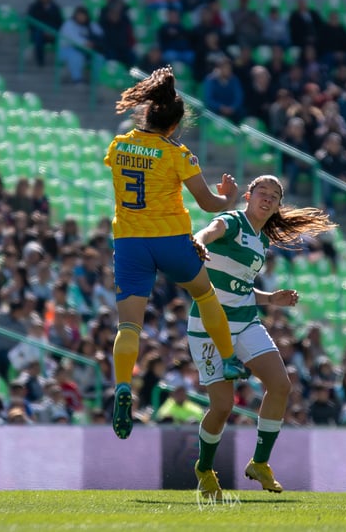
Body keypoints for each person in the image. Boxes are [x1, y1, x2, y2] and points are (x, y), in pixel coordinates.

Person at [104, 66, 248, 440]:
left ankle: (123, 386)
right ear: (175, 125)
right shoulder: (177, 154)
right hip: (171, 240)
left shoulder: (118, 146)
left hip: (130, 244)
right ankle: (229, 358)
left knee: (129, 326)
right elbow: (208, 203)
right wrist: (228, 197)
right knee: (204, 293)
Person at [188, 174, 336, 499]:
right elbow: (210, 232)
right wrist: (198, 240)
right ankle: (204, 468)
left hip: (244, 320)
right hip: (208, 325)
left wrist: (270, 299)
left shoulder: (261, 241)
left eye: (274, 196)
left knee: (281, 385)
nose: (266, 199)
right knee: (223, 406)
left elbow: (239, 288)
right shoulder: (233, 221)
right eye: (262, 192)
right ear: (248, 196)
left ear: (277, 206)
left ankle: (260, 462)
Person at [58, 6, 105, 86]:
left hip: (85, 50)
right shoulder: (69, 24)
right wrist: (87, 43)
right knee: (76, 56)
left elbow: (100, 34)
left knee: (99, 57)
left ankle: (98, 81)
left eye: (83, 16)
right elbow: (74, 39)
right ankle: (77, 79)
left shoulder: (90, 25)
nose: (81, 18)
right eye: (79, 15)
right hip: (67, 49)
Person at [26, 0, 63, 66]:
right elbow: (31, 22)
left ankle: (60, 63)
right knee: (38, 37)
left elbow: (59, 22)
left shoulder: (55, 7)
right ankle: (40, 62)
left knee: (63, 39)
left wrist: (51, 31)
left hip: (52, 32)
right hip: (38, 32)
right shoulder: (34, 7)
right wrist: (43, 31)